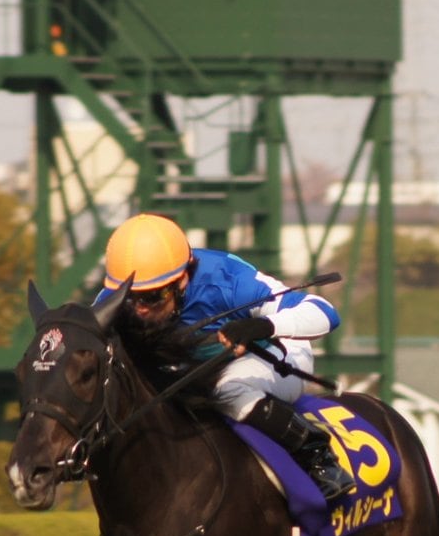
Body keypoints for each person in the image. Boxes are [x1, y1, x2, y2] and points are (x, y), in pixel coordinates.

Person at [97, 212, 355, 504]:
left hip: (274, 355)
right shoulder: (113, 300)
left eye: (153, 297)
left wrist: (264, 326)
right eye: (131, 297)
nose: (140, 309)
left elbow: (325, 312)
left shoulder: (227, 280)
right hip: (196, 368)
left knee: (227, 388)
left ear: (181, 280)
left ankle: (316, 454)